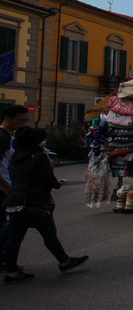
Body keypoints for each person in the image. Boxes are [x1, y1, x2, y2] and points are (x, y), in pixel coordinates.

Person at [3, 126, 88, 284]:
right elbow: (48, 179)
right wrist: (57, 184)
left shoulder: (15, 158)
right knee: (49, 234)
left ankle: (11, 271)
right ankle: (64, 261)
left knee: (14, 239)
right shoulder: (38, 157)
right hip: (34, 204)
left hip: (14, 203)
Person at [0, 104, 30, 264]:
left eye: (25, 120)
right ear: (7, 119)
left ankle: (5, 258)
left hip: (9, 187)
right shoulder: (2, 138)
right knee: (5, 225)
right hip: (4, 189)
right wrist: (5, 186)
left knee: (7, 224)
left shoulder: (11, 136)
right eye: (20, 120)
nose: (23, 124)